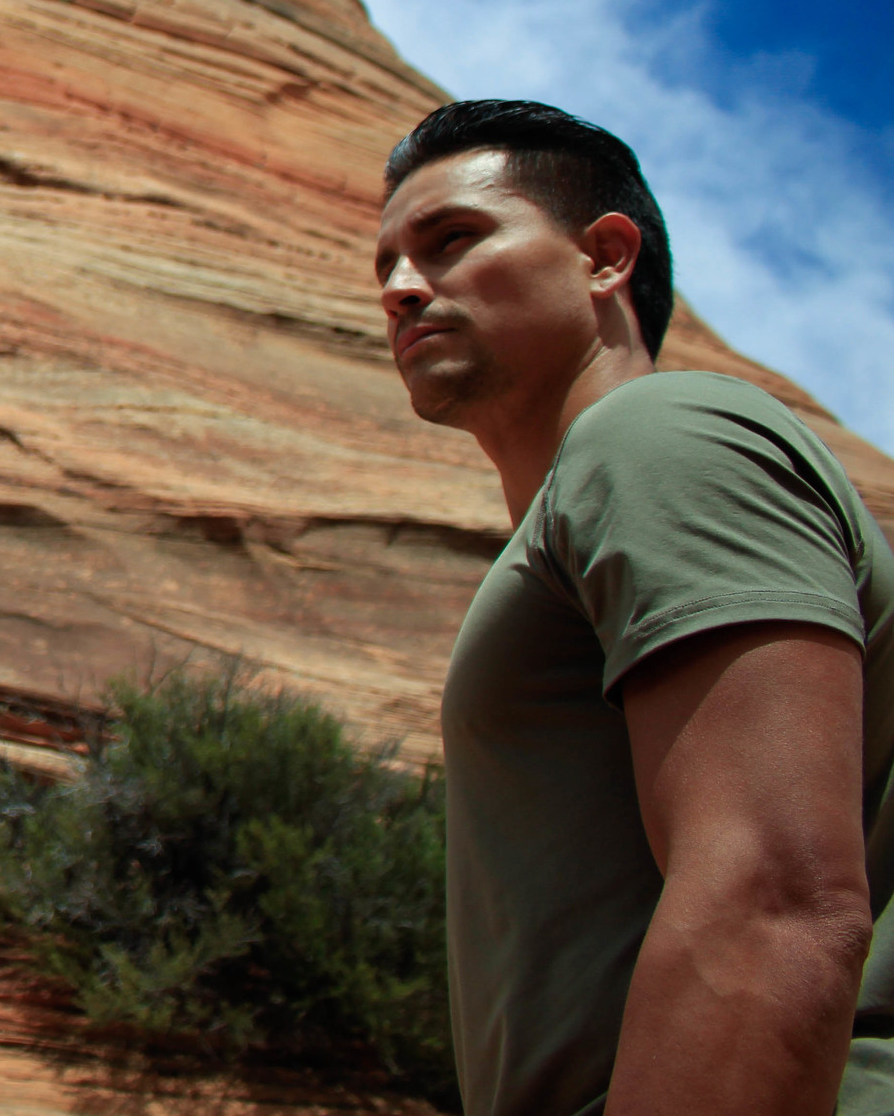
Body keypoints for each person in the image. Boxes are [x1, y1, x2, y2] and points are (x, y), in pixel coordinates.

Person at [374, 99, 894, 1116]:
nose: (399, 287)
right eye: (384, 263)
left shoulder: (658, 435)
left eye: (451, 240)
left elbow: (772, 895)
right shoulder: (583, 505)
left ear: (605, 257)